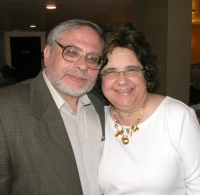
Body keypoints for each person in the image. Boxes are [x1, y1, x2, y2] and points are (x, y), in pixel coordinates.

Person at [0, 19, 105, 195]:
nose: (83, 65)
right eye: (71, 52)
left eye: (92, 58)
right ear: (47, 54)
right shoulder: (5, 109)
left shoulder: (99, 105)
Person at [98, 24, 200, 195]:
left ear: (146, 73)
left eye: (131, 69)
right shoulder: (96, 119)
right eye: (111, 71)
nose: (122, 81)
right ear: (99, 79)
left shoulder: (177, 117)